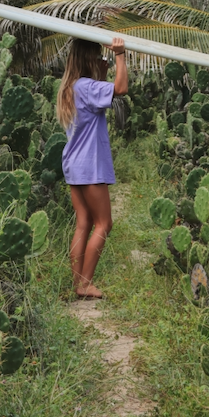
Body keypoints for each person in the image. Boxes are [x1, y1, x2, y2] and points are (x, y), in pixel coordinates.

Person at [57, 36, 128, 299]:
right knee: (103, 223)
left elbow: (104, 89)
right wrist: (120, 54)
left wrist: (103, 69)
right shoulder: (87, 87)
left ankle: (77, 281)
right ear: (88, 59)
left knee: (83, 223)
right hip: (90, 166)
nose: (102, 59)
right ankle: (85, 284)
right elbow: (120, 88)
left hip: (74, 165)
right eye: (97, 56)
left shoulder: (71, 87)